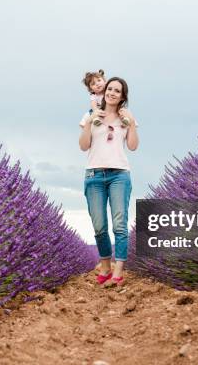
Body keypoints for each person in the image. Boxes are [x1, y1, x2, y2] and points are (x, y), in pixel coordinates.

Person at [78, 76, 138, 287]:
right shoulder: (90, 114)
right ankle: (105, 265)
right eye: (110, 89)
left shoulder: (125, 117)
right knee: (99, 226)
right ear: (105, 92)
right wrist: (90, 120)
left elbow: (132, 146)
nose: (112, 92)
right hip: (94, 175)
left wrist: (131, 123)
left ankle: (118, 272)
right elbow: (84, 146)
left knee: (120, 224)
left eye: (117, 91)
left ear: (122, 96)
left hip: (120, 174)